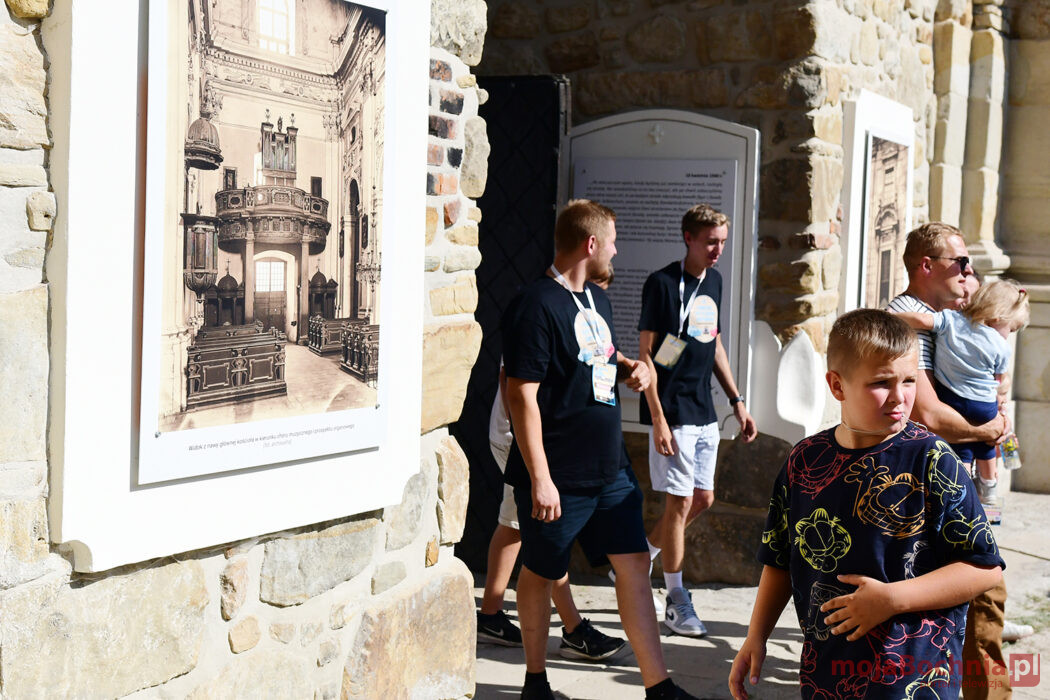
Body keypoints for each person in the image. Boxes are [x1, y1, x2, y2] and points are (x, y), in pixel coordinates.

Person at [729, 309, 1004, 700]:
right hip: (826, 677)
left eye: (909, 380)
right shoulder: (805, 461)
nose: (900, 396)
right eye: (880, 383)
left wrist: (891, 599)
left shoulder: (932, 459)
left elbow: (984, 568)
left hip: (914, 679)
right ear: (837, 385)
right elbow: (779, 559)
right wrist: (756, 636)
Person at [503, 199, 698, 700]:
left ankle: (659, 687)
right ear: (591, 244)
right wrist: (540, 478)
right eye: (612, 241)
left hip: (610, 469)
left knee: (633, 565)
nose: (617, 250)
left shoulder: (597, 300)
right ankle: (535, 682)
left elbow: (599, 356)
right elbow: (520, 393)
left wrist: (631, 367)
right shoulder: (535, 304)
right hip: (559, 472)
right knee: (541, 571)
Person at [885, 222, 1013, 699]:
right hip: (926, 481)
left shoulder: (942, 317)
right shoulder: (905, 319)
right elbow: (929, 415)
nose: (967, 271)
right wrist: (987, 430)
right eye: (960, 262)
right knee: (983, 590)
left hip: (948, 475)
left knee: (971, 602)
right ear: (927, 266)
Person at [478, 267, 626, 662]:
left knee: (517, 526)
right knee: (540, 532)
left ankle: (491, 613)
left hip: (536, 439)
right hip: (520, 438)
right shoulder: (540, 309)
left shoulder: (578, 308)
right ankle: (572, 628)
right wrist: (533, 463)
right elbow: (514, 384)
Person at [637, 203, 757, 637]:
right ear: (688, 238)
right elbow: (647, 354)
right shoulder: (662, 283)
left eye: (722, 241)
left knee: (702, 499)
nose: (717, 250)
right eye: (710, 242)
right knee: (679, 503)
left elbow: (714, 343)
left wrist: (737, 401)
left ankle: (639, 559)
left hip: (704, 409)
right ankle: (676, 599)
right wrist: (657, 417)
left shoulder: (715, 282)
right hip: (672, 410)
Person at [895, 279, 1030, 505]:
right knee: (987, 443)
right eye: (1011, 329)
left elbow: (921, 320)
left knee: (961, 447)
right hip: (984, 405)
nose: (1008, 335)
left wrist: (890, 316)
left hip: (952, 400)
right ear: (998, 317)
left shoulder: (951, 320)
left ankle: (961, 487)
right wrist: (1001, 403)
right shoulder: (1001, 346)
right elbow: (999, 382)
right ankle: (989, 486)